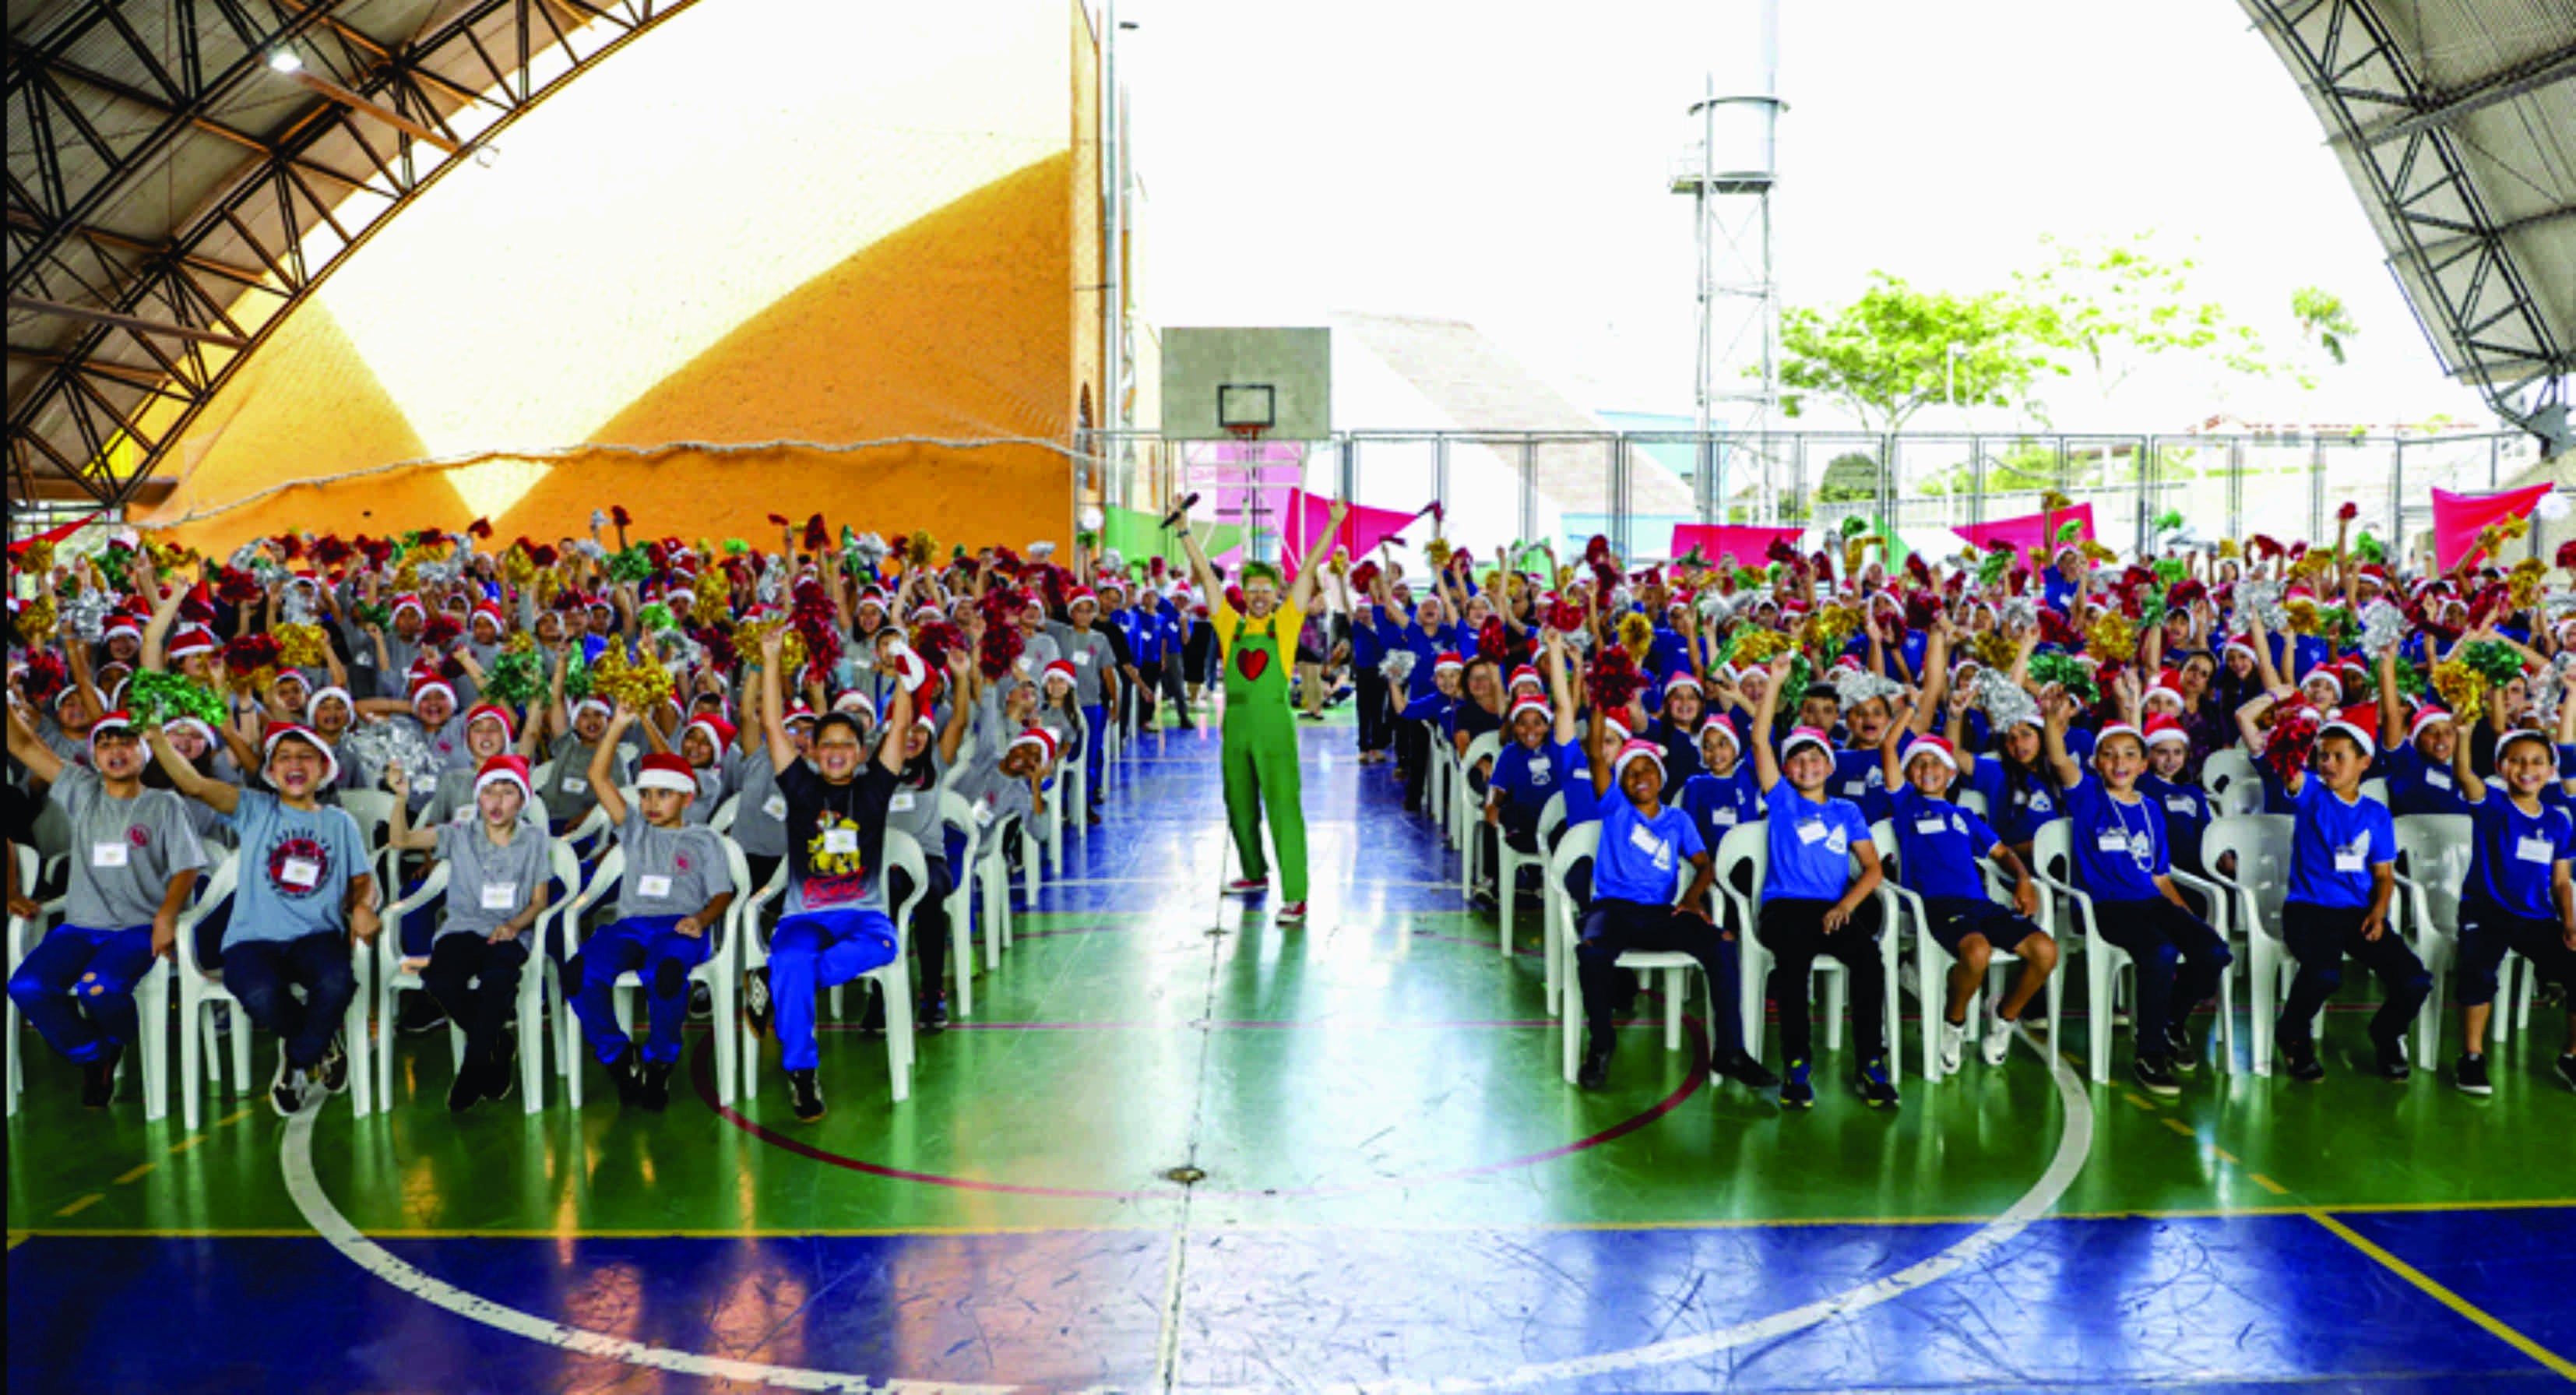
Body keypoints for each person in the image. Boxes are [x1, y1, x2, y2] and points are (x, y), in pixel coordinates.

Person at [146, 720, 376, 1116]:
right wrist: (157, 740)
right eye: (283, 757)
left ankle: (298, 1057)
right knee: (259, 994)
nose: (294, 764)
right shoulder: (253, 807)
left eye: (305, 756)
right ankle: (320, 1045)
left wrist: (362, 906)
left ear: (323, 767)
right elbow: (196, 785)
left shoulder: (340, 823)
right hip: (252, 939)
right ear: (271, 772)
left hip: (317, 935)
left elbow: (361, 879)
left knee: (338, 983)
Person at [1570, 665, 1775, 1094]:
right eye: (1630, 772)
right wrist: (1598, 703)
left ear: (1661, 779)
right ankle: (1601, 1045)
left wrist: (1694, 897)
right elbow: (1594, 754)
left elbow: (1706, 864)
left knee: (1721, 944)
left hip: (1663, 912)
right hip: (1615, 909)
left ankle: (1731, 1051)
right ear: (1621, 782)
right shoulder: (1615, 809)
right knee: (1590, 952)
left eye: (1648, 771)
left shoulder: (1678, 819)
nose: (1639, 777)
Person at [751, 624, 919, 1122]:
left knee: (883, 948)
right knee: (794, 955)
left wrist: (906, 675)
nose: (838, 750)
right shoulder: (800, 788)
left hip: (862, 915)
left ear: (862, 753)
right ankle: (802, 1074)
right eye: (828, 743)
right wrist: (771, 659)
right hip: (805, 917)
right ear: (814, 751)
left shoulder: (873, 790)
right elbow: (773, 727)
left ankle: (779, 980)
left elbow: (901, 730)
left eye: (849, 743)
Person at [5, 708, 209, 1108]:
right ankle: (95, 1054)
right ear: (94, 754)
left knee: (98, 987)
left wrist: (166, 916)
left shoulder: (164, 804)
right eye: (105, 743)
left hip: (137, 929)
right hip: (80, 928)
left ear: (144, 751)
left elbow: (188, 867)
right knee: (25, 987)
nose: (116, 751)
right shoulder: (81, 789)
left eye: (127, 742)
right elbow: (23, 743)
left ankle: (117, 1039)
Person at [2040, 687, 2233, 1092]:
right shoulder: (2088, 798)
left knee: (2213, 950)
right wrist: (2052, 719)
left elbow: (2161, 877)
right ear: (2096, 763)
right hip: (2105, 906)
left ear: (2144, 764)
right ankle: (2149, 1053)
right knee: (2160, 952)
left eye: (2130, 754)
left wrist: (2187, 916)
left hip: (2150, 900)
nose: (2120, 762)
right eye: (2109, 754)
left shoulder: (2150, 809)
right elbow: (2058, 758)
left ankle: (2171, 1023)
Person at [1177, 497, 1344, 926]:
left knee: (1284, 805)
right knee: (1239, 803)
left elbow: (1307, 569)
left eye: (1266, 591)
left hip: (1273, 724)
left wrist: (1332, 524)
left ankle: (1296, 895)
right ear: (1244, 593)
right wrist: (1184, 531)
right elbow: (1208, 580)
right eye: (1251, 591)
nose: (1258, 597)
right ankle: (1254, 873)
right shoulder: (1229, 624)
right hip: (1235, 725)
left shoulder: (1285, 622)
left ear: (1276, 595)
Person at [1746, 656, 1894, 1108]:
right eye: (1798, 759)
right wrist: (1774, 682)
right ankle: (1797, 1064)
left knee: (1869, 959)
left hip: (1832, 908)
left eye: (1816, 758)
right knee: (1793, 963)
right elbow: (1759, 741)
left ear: (1830, 767)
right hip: (1785, 907)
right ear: (1788, 771)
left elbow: (1873, 869)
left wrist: (1847, 906)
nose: (1806, 765)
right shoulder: (1784, 801)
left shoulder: (1846, 812)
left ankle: (1871, 1062)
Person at [571, 712, 738, 1110]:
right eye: (646, 794)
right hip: (631, 927)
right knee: (578, 973)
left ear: (686, 798)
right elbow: (599, 778)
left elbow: (722, 894)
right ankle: (618, 1055)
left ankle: (660, 1059)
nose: (651, 803)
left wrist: (700, 920)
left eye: (664, 794)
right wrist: (617, 725)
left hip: (679, 930)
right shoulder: (634, 829)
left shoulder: (705, 840)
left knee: (665, 976)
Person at [1877, 721, 2056, 1073]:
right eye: (1919, 763)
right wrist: (1911, 708)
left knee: (2046, 951)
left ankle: (2003, 1021)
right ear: (1909, 772)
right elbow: (1888, 747)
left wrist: (2023, 879)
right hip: (1937, 905)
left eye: (1936, 763)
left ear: (1951, 773)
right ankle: (1953, 1025)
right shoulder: (1906, 807)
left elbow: (2002, 852)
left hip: (1979, 904)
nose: (1928, 769)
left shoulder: (1965, 816)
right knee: (1977, 952)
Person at [382, 752, 552, 1111]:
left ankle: (472, 1067)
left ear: (522, 799)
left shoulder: (535, 839)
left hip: (510, 931)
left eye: (507, 792)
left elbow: (539, 901)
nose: (497, 801)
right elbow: (401, 841)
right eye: (490, 791)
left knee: (498, 981)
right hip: (462, 928)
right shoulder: (459, 834)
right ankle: (497, 1044)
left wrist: (513, 926)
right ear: (478, 797)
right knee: (441, 980)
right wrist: (400, 799)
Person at [2274, 718, 2420, 1083]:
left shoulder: (2376, 814)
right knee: (2324, 974)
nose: (2329, 764)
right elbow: (2290, 773)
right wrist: (2293, 735)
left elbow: (2384, 874)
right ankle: (2293, 1032)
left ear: (2364, 763)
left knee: (2414, 979)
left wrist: (2379, 912)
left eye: (2340, 756)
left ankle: (2386, 1034)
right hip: (2309, 910)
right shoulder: (2311, 793)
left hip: (2357, 912)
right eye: (2323, 756)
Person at [2444, 718, 2576, 1095]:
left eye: (2537, 762)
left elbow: (2562, 881)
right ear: (2502, 768)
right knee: (2478, 971)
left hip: (2536, 917)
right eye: (2517, 761)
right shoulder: (2494, 806)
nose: (2527, 769)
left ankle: (2570, 1056)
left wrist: (2569, 922)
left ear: (2551, 772)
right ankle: (2471, 1057)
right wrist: (2465, 734)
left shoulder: (2557, 821)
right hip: (2486, 912)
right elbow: (2464, 774)